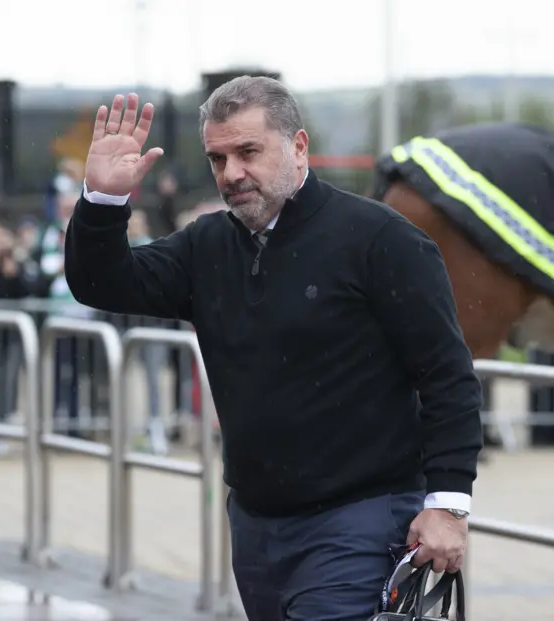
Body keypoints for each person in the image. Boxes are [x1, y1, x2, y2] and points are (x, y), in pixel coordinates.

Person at [64, 76, 483, 621]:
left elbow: (447, 374)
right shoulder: (207, 245)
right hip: (256, 527)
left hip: (360, 519)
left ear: (299, 146)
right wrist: (103, 200)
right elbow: (105, 285)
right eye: (218, 158)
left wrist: (448, 505)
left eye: (248, 152)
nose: (232, 173)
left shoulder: (381, 240)